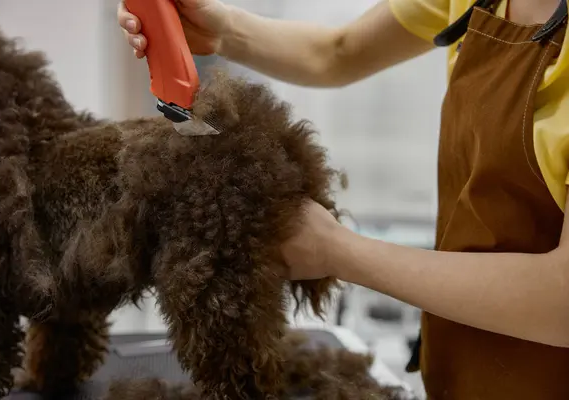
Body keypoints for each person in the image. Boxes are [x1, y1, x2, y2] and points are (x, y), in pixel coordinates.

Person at [117, 0, 569, 398]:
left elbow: (561, 300)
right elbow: (340, 51)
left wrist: (336, 249)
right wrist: (222, 28)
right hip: (466, 362)